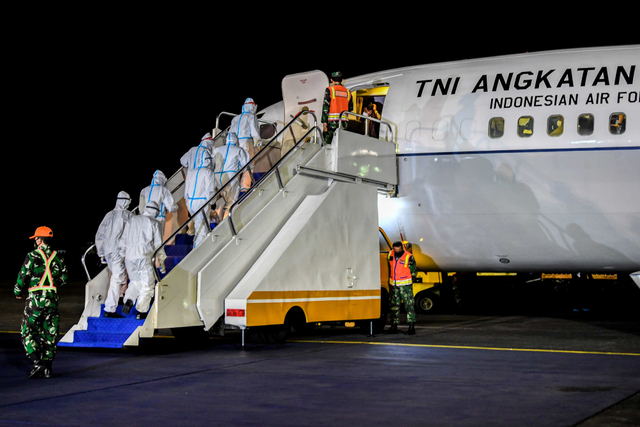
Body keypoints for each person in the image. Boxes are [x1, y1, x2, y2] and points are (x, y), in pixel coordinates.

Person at [14, 226, 68, 379]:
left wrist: (18, 291)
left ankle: (37, 362)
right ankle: (47, 369)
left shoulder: (32, 256)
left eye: (36, 238)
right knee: (49, 334)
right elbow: (64, 279)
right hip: (52, 300)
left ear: (39, 239)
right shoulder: (58, 257)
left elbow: (23, 275)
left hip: (36, 300)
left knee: (27, 331)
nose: (35, 241)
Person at [120, 201, 167, 319]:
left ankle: (129, 299)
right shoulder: (155, 223)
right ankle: (141, 312)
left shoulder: (132, 220)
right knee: (147, 285)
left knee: (135, 282)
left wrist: (122, 255)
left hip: (129, 257)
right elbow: (158, 245)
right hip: (144, 256)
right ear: (156, 211)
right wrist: (161, 261)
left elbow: (123, 240)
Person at [95, 191, 133, 318]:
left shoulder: (109, 215)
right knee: (117, 279)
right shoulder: (128, 215)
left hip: (108, 252)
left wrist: (101, 252)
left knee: (119, 277)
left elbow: (100, 234)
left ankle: (118, 301)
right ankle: (110, 308)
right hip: (119, 251)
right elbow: (130, 234)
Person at [184, 140, 218, 247]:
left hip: (190, 204)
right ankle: (197, 254)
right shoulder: (208, 172)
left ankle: (197, 245)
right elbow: (210, 190)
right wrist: (212, 201)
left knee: (199, 227)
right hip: (202, 203)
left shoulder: (191, 172)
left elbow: (186, 192)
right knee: (202, 230)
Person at [213, 132, 251, 220]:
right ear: (236, 141)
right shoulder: (239, 150)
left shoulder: (217, 149)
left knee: (220, 200)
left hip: (217, 178)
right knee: (231, 203)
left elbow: (211, 163)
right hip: (230, 178)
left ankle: (217, 217)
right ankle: (226, 223)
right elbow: (246, 165)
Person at [229, 98, 262, 193]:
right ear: (252, 107)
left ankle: (233, 186)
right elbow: (254, 131)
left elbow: (230, 133)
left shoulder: (235, 118)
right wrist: (258, 142)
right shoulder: (251, 116)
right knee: (249, 163)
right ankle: (245, 186)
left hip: (235, 143)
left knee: (236, 164)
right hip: (247, 141)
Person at [385, 241, 417, 335]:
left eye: (398, 249)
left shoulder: (408, 256)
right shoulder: (390, 254)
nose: (396, 251)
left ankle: (411, 327)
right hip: (394, 285)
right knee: (394, 306)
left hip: (405, 285)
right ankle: (393, 326)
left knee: (409, 305)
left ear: (401, 248)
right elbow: (389, 266)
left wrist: (410, 281)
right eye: (395, 249)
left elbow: (413, 270)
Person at [322, 71, 353, 145]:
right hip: (343, 123)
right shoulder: (348, 92)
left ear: (331, 80)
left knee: (328, 144)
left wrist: (324, 122)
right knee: (341, 144)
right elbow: (350, 108)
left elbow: (325, 107)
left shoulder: (329, 90)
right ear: (342, 80)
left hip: (331, 123)